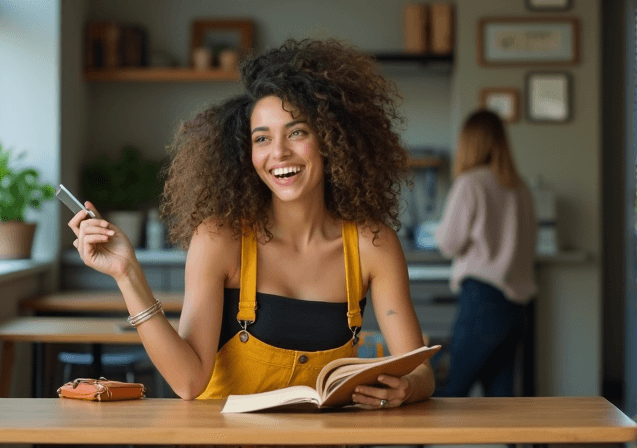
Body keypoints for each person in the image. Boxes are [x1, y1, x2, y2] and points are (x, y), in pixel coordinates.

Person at [67, 38, 434, 408]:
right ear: (248, 153)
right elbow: (189, 382)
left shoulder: (373, 245)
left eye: (297, 132)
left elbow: (420, 370)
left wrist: (408, 389)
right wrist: (127, 273)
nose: (279, 153)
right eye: (262, 138)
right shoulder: (219, 239)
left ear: (331, 139)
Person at [433, 109, 537, 398]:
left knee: (449, 391)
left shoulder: (471, 183)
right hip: (516, 309)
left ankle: (420, 444)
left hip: (483, 301)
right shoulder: (520, 187)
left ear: (469, 143)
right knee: (500, 402)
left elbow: (448, 244)